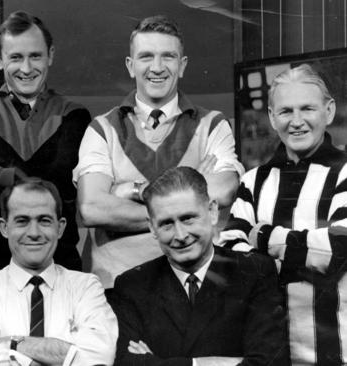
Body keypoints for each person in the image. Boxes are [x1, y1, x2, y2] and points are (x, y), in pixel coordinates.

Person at [73, 15, 244, 288]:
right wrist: (189, 202)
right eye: (146, 57)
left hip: (194, 286)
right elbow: (91, 208)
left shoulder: (213, 125)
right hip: (115, 286)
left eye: (168, 56)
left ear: (182, 65)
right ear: (131, 66)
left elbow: (223, 190)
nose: (157, 67)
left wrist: (129, 191)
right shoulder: (101, 129)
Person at [220, 64, 347, 365]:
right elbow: (229, 257)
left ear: (328, 112)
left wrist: (261, 235)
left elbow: (335, 250)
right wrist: (305, 254)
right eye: (286, 111)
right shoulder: (252, 181)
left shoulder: (345, 173)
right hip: (268, 352)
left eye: (308, 109)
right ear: (272, 117)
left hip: (338, 352)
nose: (297, 121)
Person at [0, 11, 90, 275]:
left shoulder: (74, 116)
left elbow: (61, 188)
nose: (26, 69)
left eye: (35, 56)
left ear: (50, 55)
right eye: (15, 57)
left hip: (59, 260)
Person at [111, 166, 287, 366]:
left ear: (212, 212)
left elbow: (270, 363)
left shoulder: (255, 271)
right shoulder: (132, 286)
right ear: (152, 227)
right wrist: (213, 363)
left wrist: (158, 362)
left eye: (188, 219)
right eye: (166, 224)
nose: (180, 235)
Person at [0, 178, 117, 366]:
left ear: (60, 228)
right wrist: (66, 355)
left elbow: (98, 358)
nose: (34, 232)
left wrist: (12, 344)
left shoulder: (86, 288)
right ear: (4, 227)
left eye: (44, 220)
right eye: (22, 221)